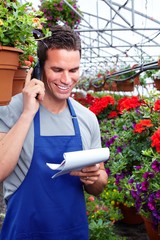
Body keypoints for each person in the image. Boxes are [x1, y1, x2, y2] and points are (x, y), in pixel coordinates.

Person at [0, 25, 108, 240]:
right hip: (23, 231)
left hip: (72, 232)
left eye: (74, 70)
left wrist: (94, 177)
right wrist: (27, 113)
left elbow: (99, 185)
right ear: (40, 69)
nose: (67, 80)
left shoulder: (86, 118)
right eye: (57, 70)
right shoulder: (12, 108)